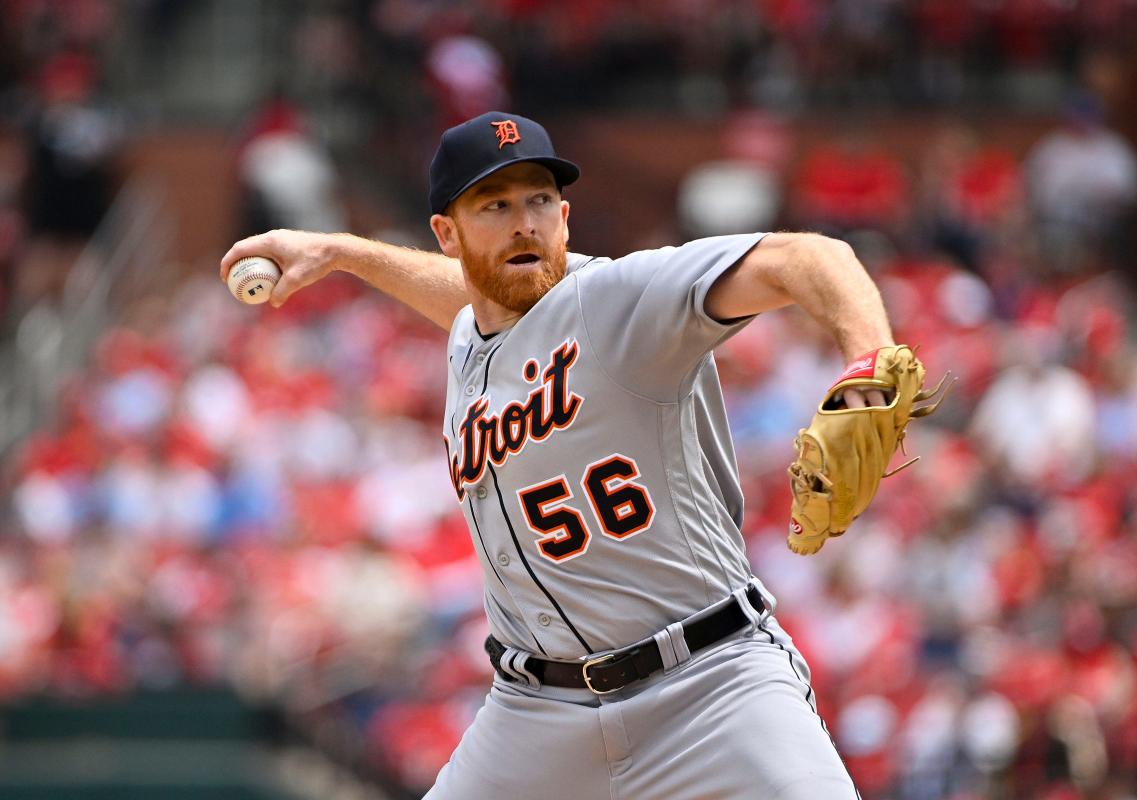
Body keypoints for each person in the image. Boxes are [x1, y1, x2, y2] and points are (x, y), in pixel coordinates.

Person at [221, 111, 893, 799]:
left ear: (565, 217)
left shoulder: (621, 299)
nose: (524, 223)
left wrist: (868, 359)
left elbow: (810, 258)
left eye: (539, 200)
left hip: (710, 687)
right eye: (495, 204)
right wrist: (341, 253)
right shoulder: (475, 328)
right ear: (447, 235)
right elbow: (470, 297)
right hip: (537, 715)